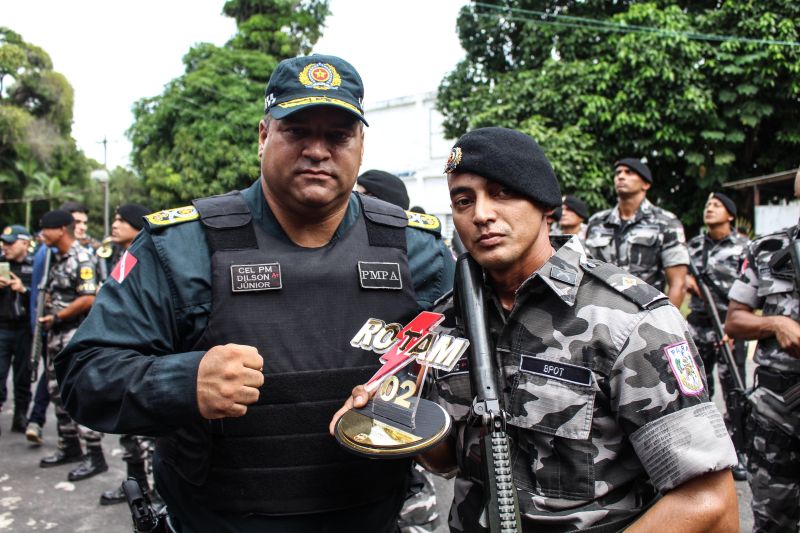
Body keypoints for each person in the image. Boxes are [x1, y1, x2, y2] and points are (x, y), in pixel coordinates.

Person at [56, 54, 455, 532]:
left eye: (337, 135)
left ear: (361, 146)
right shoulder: (181, 246)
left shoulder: (416, 248)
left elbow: (466, 376)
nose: (317, 150)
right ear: (264, 136)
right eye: (297, 130)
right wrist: (184, 382)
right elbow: (84, 375)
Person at [334, 127, 739, 532]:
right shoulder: (445, 323)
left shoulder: (628, 320)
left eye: (502, 193)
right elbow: (447, 460)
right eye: (463, 200)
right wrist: (389, 415)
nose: (481, 214)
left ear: (547, 206)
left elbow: (708, 499)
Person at [725, 170, 800, 533]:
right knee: (773, 522)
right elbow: (735, 320)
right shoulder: (768, 248)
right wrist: (776, 324)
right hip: (777, 413)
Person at [37, 210, 107, 481]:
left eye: (46, 229)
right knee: (56, 392)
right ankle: (70, 446)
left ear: (61, 230)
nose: (42, 234)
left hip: (73, 334)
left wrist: (58, 315)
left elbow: (88, 297)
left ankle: (94, 454)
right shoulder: (54, 259)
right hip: (55, 334)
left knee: (78, 393)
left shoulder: (81, 257)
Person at [685, 192, 749, 480]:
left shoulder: (744, 247)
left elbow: (750, 290)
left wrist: (734, 327)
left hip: (729, 326)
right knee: (695, 388)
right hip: (698, 324)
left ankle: (739, 452)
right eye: (707, 204)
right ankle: (701, 451)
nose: (709, 208)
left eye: (717, 205)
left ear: (731, 215)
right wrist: (691, 285)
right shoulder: (693, 246)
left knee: (735, 391)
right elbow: (679, 274)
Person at [97, 203, 154, 506]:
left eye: (122, 220)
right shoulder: (125, 256)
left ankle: (153, 493)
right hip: (122, 354)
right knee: (130, 433)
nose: (115, 224)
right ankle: (137, 487)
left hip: (143, 355)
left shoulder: (149, 256)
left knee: (147, 436)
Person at [585, 158, 689, 307]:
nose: (621, 176)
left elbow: (678, 284)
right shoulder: (597, 222)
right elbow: (585, 270)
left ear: (645, 184)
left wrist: (664, 325)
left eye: (629, 173)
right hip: (600, 311)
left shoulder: (666, 223)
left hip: (644, 314)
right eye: (618, 173)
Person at [0, 225, 34, 436]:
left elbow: (45, 295)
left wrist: (24, 289)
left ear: (25, 243)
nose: (6, 247)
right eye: (4, 242)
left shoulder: (36, 265)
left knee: (24, 375)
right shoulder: (1, 263)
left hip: (25, 329)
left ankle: (21, 415)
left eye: (10, 243)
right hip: (2, 326)